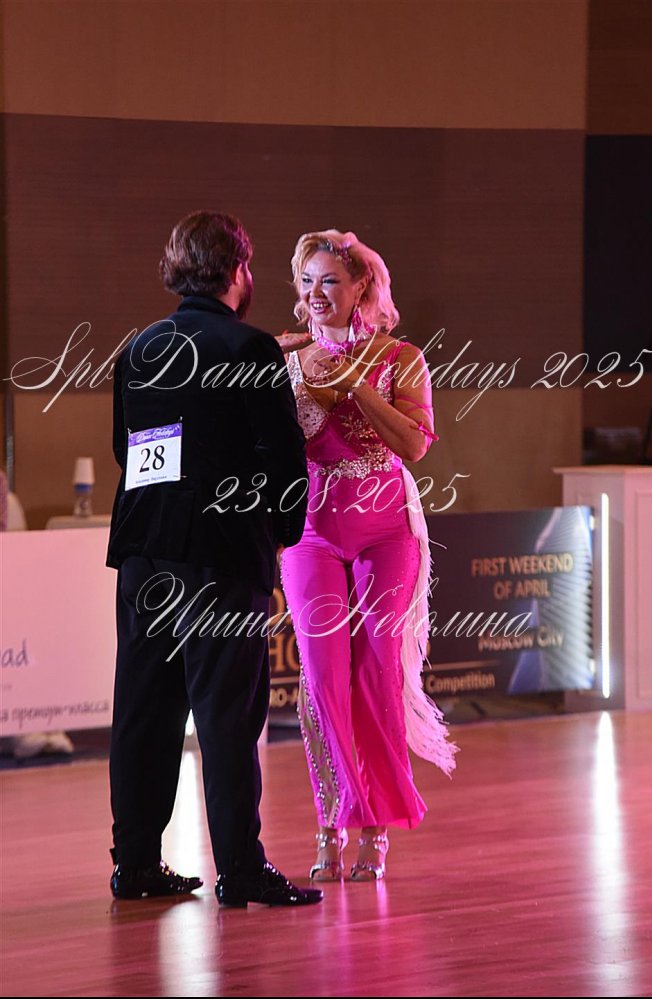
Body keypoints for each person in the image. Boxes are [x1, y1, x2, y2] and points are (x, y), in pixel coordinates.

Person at [106, 211, 322, 907]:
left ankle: (136, 863)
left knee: (144, 711)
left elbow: (128, 450)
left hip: (144, 553)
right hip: (220, 558)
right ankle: (239, 867)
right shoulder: (250, 347)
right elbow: (284, 457)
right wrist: (282, 534)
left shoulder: (140, 347)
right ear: (237, 269)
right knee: (228, 716)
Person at [280, 229, 458, 881]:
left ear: (361, 288)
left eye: (330, 280)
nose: (316, 293)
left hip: (387, 530)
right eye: (307, 281)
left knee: (379, 671)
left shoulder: (401, 358)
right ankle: (330, 821)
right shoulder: (286, 358)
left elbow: (414, 446)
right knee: (322, 676)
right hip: (312, 529)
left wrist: (359, 384)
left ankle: (375, 827)